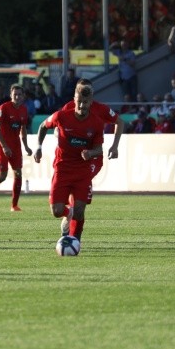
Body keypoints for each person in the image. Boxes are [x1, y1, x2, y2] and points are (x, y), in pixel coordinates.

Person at [33, 82, 105, 250]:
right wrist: (38, 147)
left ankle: (75, 241)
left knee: (80, 210)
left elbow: (99, 148)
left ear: (90, 102)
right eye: (78, 101)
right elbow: (43, 126)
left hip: (83, 171)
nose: (81, 105)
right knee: (56, 211)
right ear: (74, 99)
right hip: (62, 169)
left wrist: (91, 153)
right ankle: (68, 214)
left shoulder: (96, 123)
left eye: (85, 102)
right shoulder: (61, 116)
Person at [58, 78, 124, 235]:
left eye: (87, 91)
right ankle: (70, 214)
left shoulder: (100, 109)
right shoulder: (69, 107)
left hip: (93, 159)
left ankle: (72, 235)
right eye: (81, 90)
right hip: (73, 159)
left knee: (78, 195)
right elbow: (58, 125)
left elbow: (119, 122)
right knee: (68, 194)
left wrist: (115, 146)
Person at [0, 83, 32, 212]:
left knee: (18, 174)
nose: (17, 97)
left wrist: (26, 146)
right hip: (2, 144)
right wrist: (4, 146)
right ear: (11, 95)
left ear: (23, 96)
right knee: (2, 176)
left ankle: (14, 205)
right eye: (15, 95)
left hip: (16, 145)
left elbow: (23, 129)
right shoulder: (4, 108)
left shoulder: (24, 110)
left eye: (19, 95)